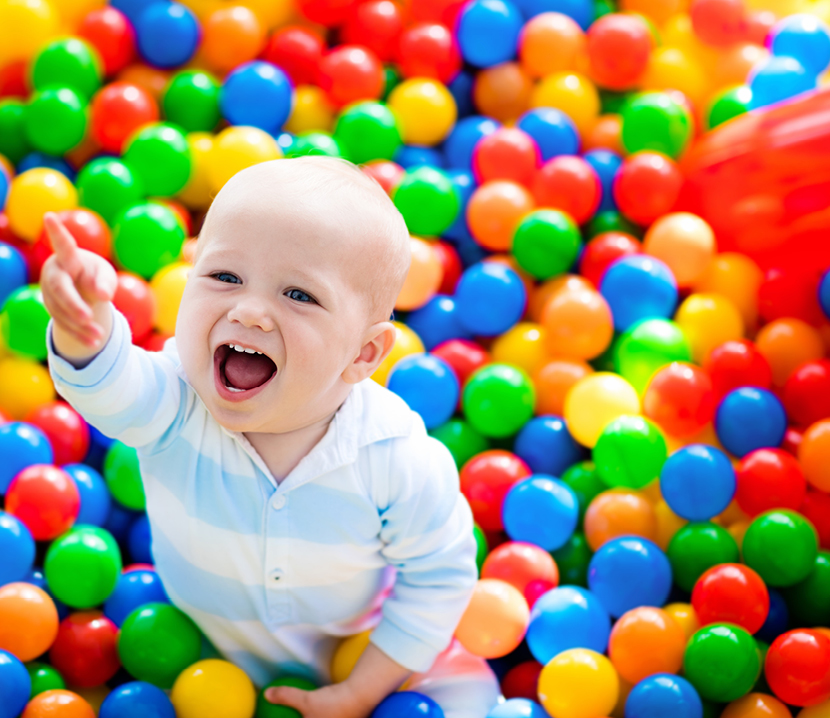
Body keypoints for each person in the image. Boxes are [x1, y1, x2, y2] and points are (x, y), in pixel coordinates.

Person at [42, 156, 501, 717]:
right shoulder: (175, 400)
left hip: (357, 649)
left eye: (299, 296)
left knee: (472, 698)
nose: (251, 311)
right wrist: (81, 327)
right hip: (197, 657)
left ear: (364, 354)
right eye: (225, 277)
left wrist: (361, 691)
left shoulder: (392, 455)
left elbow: (440, 575)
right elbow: (110, 387)